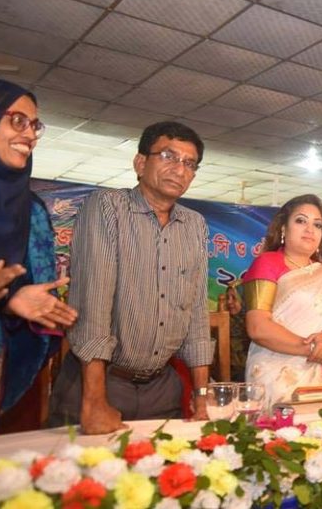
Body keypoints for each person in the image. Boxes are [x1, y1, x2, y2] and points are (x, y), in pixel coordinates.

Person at [49, 122, 213, 434]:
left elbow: (196, 317)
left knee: (164, 478)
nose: (179, 169)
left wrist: (201, 395)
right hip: (101, 383)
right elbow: (92, 307)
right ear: (140, 163)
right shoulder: (107, 207)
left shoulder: (194, 225)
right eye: (168, 156)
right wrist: (95, 400)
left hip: (163, 388)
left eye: (189, 163)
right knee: (85, 479)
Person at [0, 78, 77, 437]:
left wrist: (12, 303)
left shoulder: (30, 211)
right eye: (17, 121)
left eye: (35, 124)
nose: (31, 135)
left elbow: (11, 297)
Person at [243, 194, 322, 408]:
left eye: (317, 225)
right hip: (278, 372)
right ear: (283, 227)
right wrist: (315, 350)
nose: (310, 229)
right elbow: (258, 327)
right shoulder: (267, 262)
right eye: (301, 221)